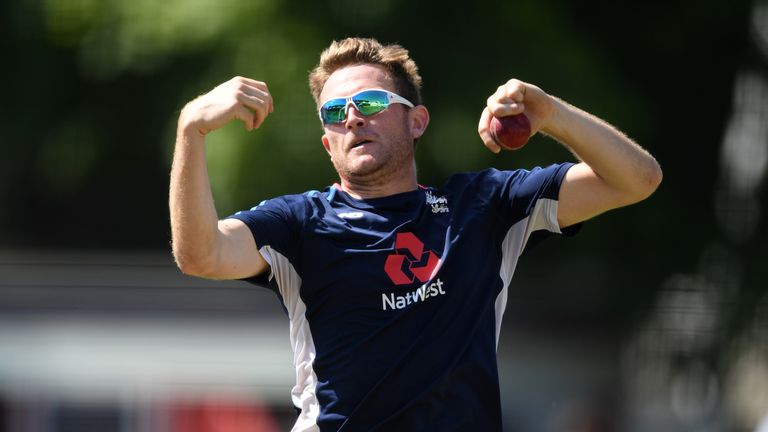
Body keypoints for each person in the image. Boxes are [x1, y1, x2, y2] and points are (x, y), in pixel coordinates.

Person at [169, 37, 662, 431]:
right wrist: (191, 130)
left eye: (369, 101)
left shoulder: (484, 207)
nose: (353, 117)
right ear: (328, 143)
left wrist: (549, 112)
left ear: (417, 120)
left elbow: (637, 180)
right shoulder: (298, 224)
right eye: (335, 113)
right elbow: (200, 255)